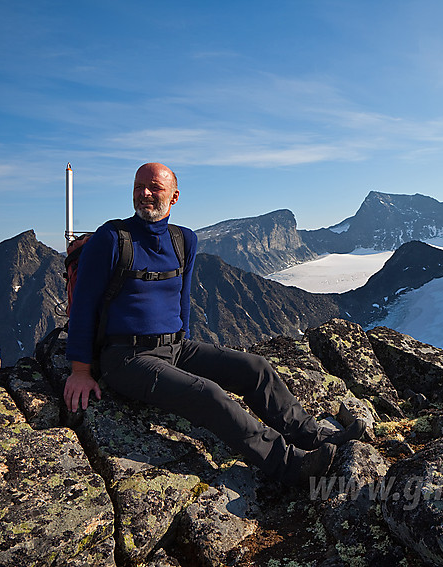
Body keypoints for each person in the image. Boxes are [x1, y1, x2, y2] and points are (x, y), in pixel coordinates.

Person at [64, 162, 363, 485]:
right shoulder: (111, 239)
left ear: (174, 197)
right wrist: (80, 371)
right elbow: (83, 305)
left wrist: (183, 354)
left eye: (154, 188)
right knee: (207, 393)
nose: (144, 194)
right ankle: (289, 465)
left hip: (176, 348)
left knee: (256, 367)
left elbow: (183, 300)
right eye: (138, 187)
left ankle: (312, 437)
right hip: (125, 358)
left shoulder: (184, 241)